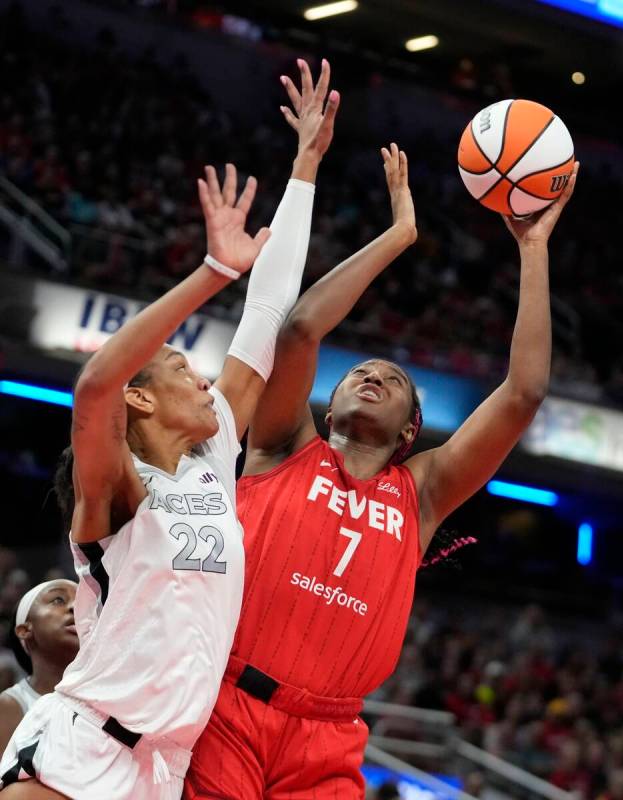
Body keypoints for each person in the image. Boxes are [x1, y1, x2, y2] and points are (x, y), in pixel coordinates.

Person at [184, 138, 579, 799]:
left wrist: (533, 251)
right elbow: (302, 329)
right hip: (228, 707)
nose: (370, 374)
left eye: (390, 378)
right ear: (328, 404)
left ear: (411, 431)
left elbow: (523, 393)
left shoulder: (420, 494)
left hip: (331, 739)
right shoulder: (282, 445)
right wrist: (400, 235)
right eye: (359, 373)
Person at [0, 58, 339, 800]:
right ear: (143, 402)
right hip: (82, 746)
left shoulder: (211, 459)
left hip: (165, 765)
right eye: (184, 369)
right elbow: (94, 387)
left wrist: (306, 167)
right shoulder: (118, 487)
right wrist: (214, 269)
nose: (205, 380)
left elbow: (268, 315)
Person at [0, 581, 78, 754]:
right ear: (24, 630)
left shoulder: (113, 695)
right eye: (58, 600)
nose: (76, 607)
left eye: (83, 604)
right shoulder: (8, 707)